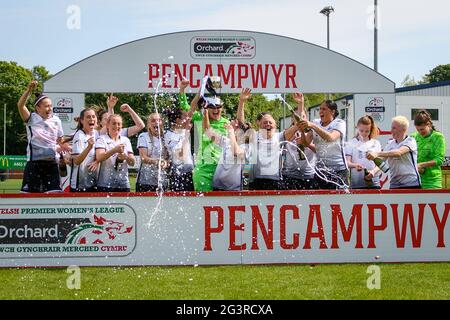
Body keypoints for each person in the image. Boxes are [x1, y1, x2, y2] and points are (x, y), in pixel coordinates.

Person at [186, 80, 251, 192]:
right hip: (205, 171)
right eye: (212, 106)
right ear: (207, 107)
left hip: (223, 174)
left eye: (218, 106)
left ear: (222, 107)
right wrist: (199, 94)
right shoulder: (201, 119)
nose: (216, 109)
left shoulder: (227, 124)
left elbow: (241, 125)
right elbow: (189, 111)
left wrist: (241, 102)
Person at [17, 80, 69, 193]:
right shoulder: (31, 119)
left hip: (52, 164)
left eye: (51, 106)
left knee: (54, 195)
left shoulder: (56, 120)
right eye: (46, 106)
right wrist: (28, 90)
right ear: (37, 108)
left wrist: (66, 151)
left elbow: (61, 141)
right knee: (29, 198)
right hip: (34, 164)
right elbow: (20, 105)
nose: (50, 109)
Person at [298, 100, 348, 190]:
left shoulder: (339, 123)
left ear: (332, 112)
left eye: (324, 109)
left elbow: (331, 138)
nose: (321, 111)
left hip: (338, 170)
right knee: (319, 200)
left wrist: (313, 126)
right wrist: (302, 130)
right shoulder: (316, 122)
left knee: (339, 200)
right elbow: (306, 143)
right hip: (320, 170)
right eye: (320, 109)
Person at [203, 108, 252, 191]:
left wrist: (231, 132)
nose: (230, 122)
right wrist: (205, 112)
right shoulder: (227, 141)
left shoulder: (247, 147)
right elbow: (208, 132)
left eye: (233, 122)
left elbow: (236, 152)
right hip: (218, 188)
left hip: (234, 190)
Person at [367, 116, 421, 189]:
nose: (391, 131)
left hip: (411, 183)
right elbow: (382, 160)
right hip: (394, 184)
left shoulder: (410, 141)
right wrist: (373, 171)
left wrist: (377, 153)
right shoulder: (390, 143)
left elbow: (398, 152)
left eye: (394, 128)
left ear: (403, 129)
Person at [281, 93, 317, 190]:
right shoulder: (287, 132)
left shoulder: (312, 132)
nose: (299, 119)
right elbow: (280, 144)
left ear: (306, 118)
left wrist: (301, 103)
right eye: (295, 116)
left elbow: (318, 150)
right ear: (292, 118)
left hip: (308, 174)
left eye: (302, 116)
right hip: (289, 175)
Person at [95, 114, 135, 192]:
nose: (116, 126)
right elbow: (99, 157)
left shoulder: (125, 140)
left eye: (119, 124)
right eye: (113, 123)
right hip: (105, 184)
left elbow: (132, 162)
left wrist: (126, 157)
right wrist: (114, 150)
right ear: (107, 125)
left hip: (123, 184)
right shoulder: (101, 139)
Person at [345, 115, 382, 189]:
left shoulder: (376, 143)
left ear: (371, 129)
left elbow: (380, 164)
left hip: (374, 183)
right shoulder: (351, 143)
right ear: (357, 128)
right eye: (361, 131)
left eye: (367, 131)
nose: (364, 133)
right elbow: (347, 163)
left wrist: (373, 172)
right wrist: (355, 165)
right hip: (356, 184)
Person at [411, 110, 446, 189]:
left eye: (422, 129)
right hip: (415, 181)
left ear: (429, 124)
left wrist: (421, 165)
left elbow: (439, 159)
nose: (420, 132)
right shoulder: (413, 137)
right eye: (418, 130)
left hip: (432, 182)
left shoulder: (438, 137)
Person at [136, 113, 170, 192]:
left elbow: (169, 159)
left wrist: (166, 163)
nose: (156, 123)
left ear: (162, 123)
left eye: (158, 120)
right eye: (153, 121)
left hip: (162, 181)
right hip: (145, 181)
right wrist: (157, 162)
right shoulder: (143, 136)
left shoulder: (166, 137)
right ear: (148, 125)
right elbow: (143, 157)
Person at [164, 104, 194, 192]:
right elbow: (181, 156)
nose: (188, 119)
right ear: (178, 120)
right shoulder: (169, 135)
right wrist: (187, 135)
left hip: (190, 173)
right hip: (179, 175)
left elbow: (192, 109)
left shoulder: (183, 131)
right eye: (185, 117)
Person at [70, 108, 99, 192]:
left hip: (93, 182)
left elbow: (109, 124)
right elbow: (76, 161)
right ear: (82, 120)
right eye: (88, 117)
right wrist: (88, 147)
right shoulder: (79, 136)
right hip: (80, 185)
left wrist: (110, 107)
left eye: (93, 116)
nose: (91, 119)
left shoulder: (96, 133)